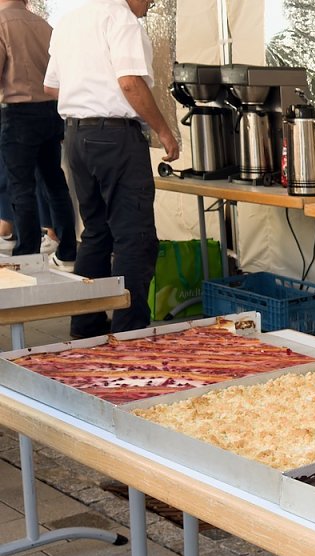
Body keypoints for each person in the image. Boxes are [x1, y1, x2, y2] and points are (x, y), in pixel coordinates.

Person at [43, 0, 179, 337]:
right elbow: (130, 82)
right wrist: (164, 131)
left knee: (96, 232)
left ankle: (86, 324)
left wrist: (87, 89)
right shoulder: (121, 19)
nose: (151, 3)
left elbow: (51, 87)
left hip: (76, 135)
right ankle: (130, 332)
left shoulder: (69, 21)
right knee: (134, 236)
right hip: (115, 136)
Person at [0, 0, 78, 271]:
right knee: (54, 183)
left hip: (19, 113)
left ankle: (27, 256)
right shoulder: (45, 26)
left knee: (21, 187)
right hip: (51, 111)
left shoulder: (1, 23)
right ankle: (68, 253)